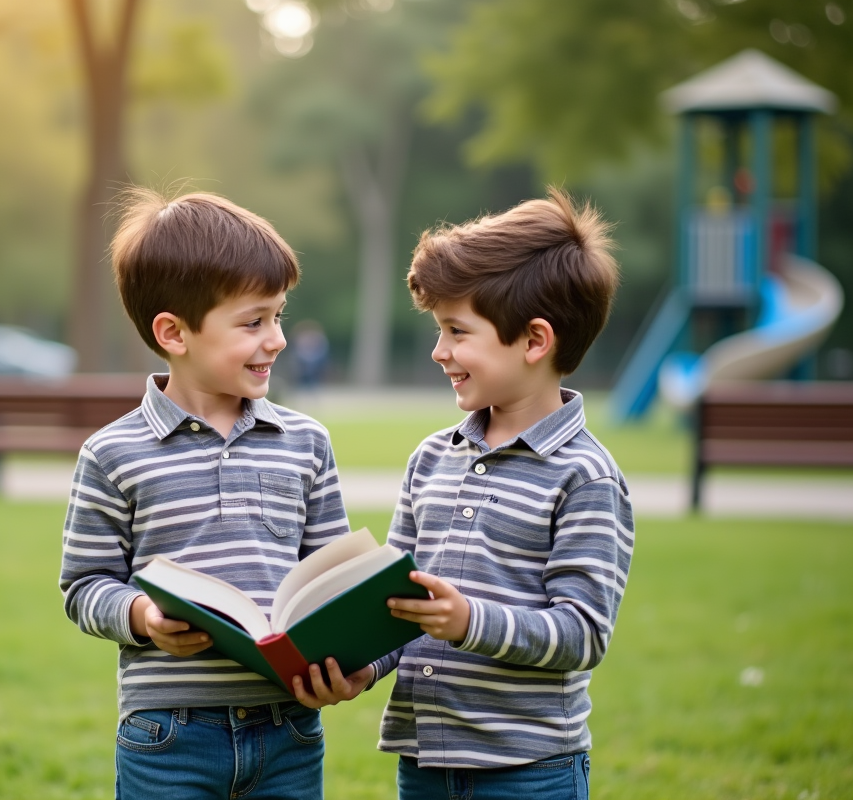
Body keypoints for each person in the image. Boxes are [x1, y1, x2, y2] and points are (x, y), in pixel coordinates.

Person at [58, 187, 368, 800]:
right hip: (169, 735)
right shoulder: (112, 453)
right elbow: (83, 585)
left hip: (290, 730)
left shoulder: (304, 440)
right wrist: (142, 617)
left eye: (278, 315)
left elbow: (339, 580)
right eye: (253, 322)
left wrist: (353, 663)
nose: (276, 338)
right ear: (174, 332)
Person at [371, 188, 635, 800]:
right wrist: (361, 664)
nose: (440, 351)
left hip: (530, 772)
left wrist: (468, 622)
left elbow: (582, 634)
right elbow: (396, 606)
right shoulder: (431, 458)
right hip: (426, 763)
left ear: (534, 341)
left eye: (456, 331)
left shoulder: (584, 477)